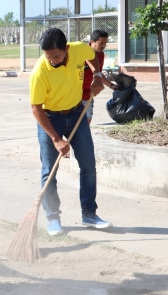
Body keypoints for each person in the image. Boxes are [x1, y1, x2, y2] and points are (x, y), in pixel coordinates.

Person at [30, 28, 112, 236]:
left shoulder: (78, 49)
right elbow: (36, 109)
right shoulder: (40, 72)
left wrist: (97, 76)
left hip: (77, 113)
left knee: (88, 166)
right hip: (50, 119)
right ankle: (53, 218)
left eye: (57, 56)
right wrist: (56, 139)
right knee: (50, 170)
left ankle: (89, 214)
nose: (52, 61)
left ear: (66, 49)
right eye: (48, 57)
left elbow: (92, 56)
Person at [81, 30, 117, 124]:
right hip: (74, 95)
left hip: (88, 94)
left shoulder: (101, 55)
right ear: (92, 41)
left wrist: (112, 86)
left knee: (86, 122)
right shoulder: (81, 52)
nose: (103, 46)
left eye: (105, 43)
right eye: (101, 43)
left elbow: (99, 74)